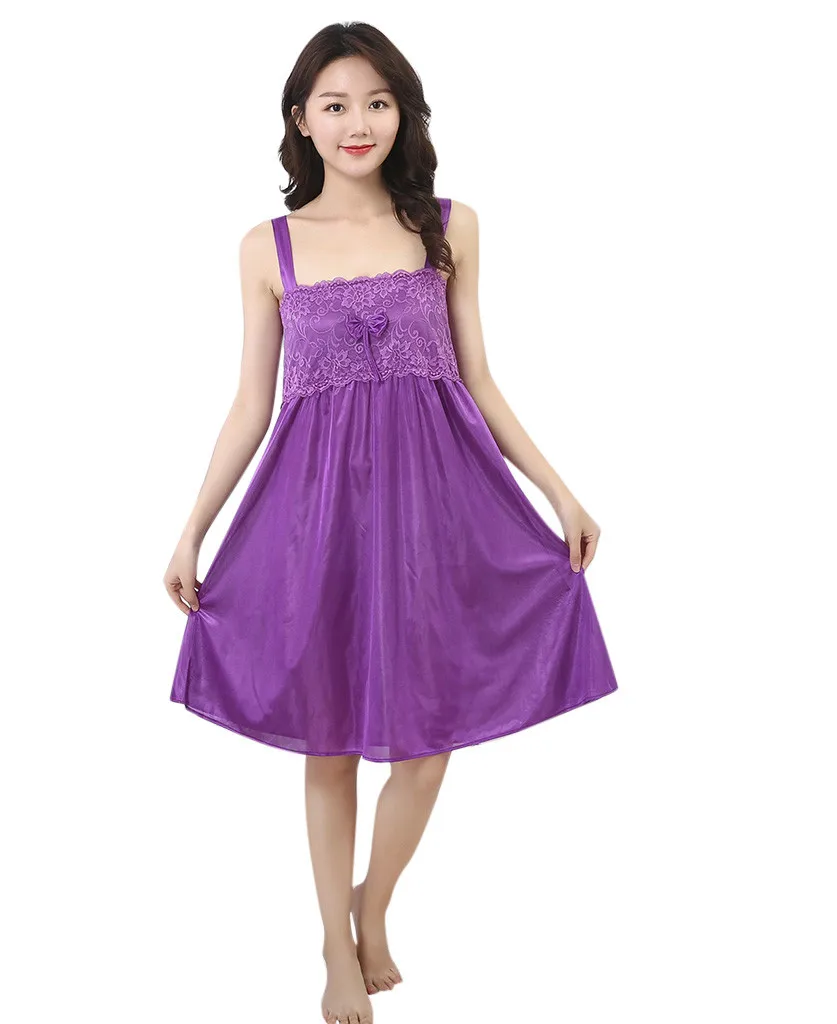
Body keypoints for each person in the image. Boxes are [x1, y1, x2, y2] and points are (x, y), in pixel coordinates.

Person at [164, 22, 618, 1024]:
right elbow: (250, 405)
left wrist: (560, 492)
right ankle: (335, 946)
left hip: (435, 513)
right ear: (301, 120)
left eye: (376, 101)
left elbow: (480, 380)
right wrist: (194, 526)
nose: (357, 122)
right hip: (312, 518)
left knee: (430, 735)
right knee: (327, 738)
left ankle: (371, 902)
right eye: (334, 104)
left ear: (403, 113)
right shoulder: (267, 246)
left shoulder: (450, 227)